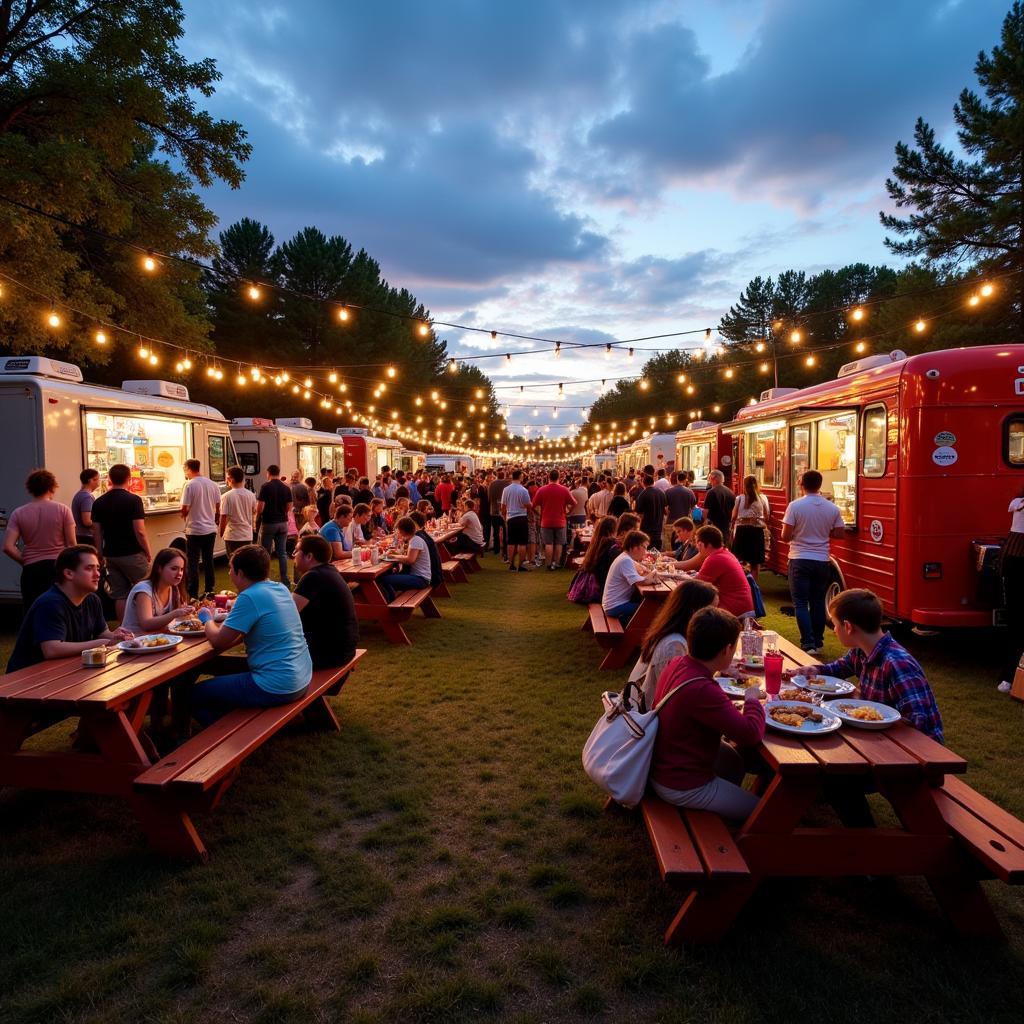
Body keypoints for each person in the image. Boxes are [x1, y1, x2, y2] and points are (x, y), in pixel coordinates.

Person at [649, 607, 765, 822]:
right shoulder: (702, 689)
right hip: (681, 783)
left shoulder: (679, 663)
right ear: (727, 649)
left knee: (733, 761)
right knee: (764, 815)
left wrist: (719, 670)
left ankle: (722, 812)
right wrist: (751, 699)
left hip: (665, 764)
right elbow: (750, 735)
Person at [187, 545, 311, 727]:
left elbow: (218, 641)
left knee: (194, 694)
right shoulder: (280, 588)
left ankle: (222, 735)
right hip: (302, 676)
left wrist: (206, 619)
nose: (229, 573)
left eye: (230, 569)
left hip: (277, 685)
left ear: (241, 573)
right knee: (220, 669)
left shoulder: (249, 597)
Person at [804, 589, 944, 742]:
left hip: (916, 751)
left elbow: (919, 722)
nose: (834, 630)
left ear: (848, 627)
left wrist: (867, 711)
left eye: (835, 624)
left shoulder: (897, 663)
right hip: (877, 737)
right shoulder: (861, 650)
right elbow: (838, 668)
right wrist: (815, 670)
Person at [6, 545, 132, 673]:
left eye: (98, 568)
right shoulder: (50, 603)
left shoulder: (92, 599)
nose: (97, 574)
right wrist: (102, 642)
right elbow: (52, 649)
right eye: (89, 568)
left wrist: (116, 636)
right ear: (68, 573)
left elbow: (103, 632)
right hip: (28, 679)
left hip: (63, 671)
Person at [781, 469, 846, 655]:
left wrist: (798, 533)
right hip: (822, 559)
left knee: (800, 602)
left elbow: (785, 536)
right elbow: (840, 533)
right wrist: (824, 533)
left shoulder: (795, 506)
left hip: (799, 558)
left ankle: (808, 643)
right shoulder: (832, 507)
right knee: (817, 601)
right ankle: (818, 641)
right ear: (820, 484)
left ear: (802, 485)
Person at [630, 579, 719, 706]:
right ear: (694, 611)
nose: (716, 615)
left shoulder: (675, 632)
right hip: (652, 715)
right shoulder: (674, 645)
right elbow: (674, 694)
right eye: (712, 610)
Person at [2, 468, 77, 612]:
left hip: (31, 570)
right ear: (52, 487)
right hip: (57, 567)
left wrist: (25, 560)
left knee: (33, 611)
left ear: (30, 489)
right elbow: (72, 544)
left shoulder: (18, 513)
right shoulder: (63, 510)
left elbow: (8, 547)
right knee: (59, 609)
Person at [91, 463, 151, 618]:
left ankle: (123, 627)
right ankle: (148, 620)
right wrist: (147, 551)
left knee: (119, 594)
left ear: (109, 479)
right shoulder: (134, 500)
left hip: (111, 554)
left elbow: (96, 532)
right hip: (132, 553)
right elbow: (140, 530)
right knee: (146, 587)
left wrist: (99, 554)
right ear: (129, 479)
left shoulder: (98, 502)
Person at [292, 534, 358, 669]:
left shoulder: (313, 576)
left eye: (296, 551)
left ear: (309, 556)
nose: (294, 555)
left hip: (329, 654)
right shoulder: (329, 571)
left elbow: (287, 613)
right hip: (343, 649)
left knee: (271, 652)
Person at [120, 547, 192, 635]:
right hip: (135, 641)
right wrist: (175, 613)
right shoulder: (144, 590)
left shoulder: (174, 588)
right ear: (159, 568)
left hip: (160, 638)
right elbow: (146, 624)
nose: (180, 573)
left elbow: (175, 621)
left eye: (181, 569)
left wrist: (186, 613)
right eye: (174, 569)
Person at [180, 458, 221, 599]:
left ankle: (193, 593)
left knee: (193, 562)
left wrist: (184, 514)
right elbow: (217, 506)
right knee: (208, 560)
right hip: (210, 529)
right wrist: (215, 518)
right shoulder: (213, 484)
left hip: (194, 529)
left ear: (188, 469)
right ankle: (210, 590)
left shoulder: (189, 485)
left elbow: (184, 507)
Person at [694, 525, 753, 618]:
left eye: (698, 544)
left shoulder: (714, 559)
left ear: (708, 545)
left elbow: (696, 587)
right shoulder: (725, 553)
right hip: (744, 607)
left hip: (734, 612)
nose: (697, 547)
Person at [1000, 486, 1024, 690]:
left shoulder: (1017, 503)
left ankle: (1008, 677)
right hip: (1016, 564)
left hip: (1011, 562)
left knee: (1014, 624)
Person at [601, 529, 653, 623]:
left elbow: (643, 569)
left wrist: (649, 572)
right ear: (635, 547)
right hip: (614, 606)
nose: (646, 552)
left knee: (646, 607)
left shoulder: (625, 557)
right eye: (644, 547)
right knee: (650, 610)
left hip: (611, 604)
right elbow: (642, 582)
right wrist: (653, 576)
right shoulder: (625, 560)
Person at [256, 463, 292, 586]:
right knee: (282, 552)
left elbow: (260, 507)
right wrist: (282, 513)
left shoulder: (265, 487)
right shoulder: (286, 487)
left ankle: (265, 578)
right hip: (283, 523)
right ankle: (285, 579)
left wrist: (257, 518)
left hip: (269, 522)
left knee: (266, 552)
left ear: (268, 473)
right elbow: (289, 506)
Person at [380, 516, 432, 601]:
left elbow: (410, 560)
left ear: (403, 530)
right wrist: (396, 554)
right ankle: (390, 601)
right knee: (389, 578)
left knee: (384, 580)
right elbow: (408, 556)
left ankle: (390, 603)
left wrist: (393, 556)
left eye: (398, 530)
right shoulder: (414, 539)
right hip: (419, 577)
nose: (397, 532)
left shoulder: (415, 540)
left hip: (421, 579)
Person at [730, 475, 771, 581]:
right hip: (756, 531)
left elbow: (734, 516)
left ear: (744, 485)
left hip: (742, 531)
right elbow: (767, 516)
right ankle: (753, 585)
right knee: (755, 562)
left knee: (739, 559)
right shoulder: (763, 498)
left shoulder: (740, 498)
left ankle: (740, 582)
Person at [533, 469, 575, 570]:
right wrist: (568, 512)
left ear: (548, 477)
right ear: (559, 477)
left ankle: (548, 563)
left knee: (548, 543)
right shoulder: (564, 489)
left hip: (546, 520)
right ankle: (556, 563)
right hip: (560, 520)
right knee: (559, 543)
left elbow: (533, 505)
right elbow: (574, 503)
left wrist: (539, 514)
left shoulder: (542, 490)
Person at [219, 466, 257, 555]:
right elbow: (254, 512)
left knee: (233, 562)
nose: (226, 480)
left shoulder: (226, 496)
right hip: (247, 535)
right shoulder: (251, 495)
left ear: (230, 479)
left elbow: (223, 517)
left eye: (227, 478)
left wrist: (221, 533)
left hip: (233, 535)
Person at [501, 469, 533, 572]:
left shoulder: (506, 490)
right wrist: (528, 507)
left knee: (511, 542)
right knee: (522, 543)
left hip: (511, 518)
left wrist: (505, 515)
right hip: (521, 517)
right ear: (520, 477)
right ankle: (521, 565)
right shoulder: (523, 490)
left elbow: (503, 506)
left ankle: (511, 564)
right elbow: (528, 505)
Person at [664, 472, 697, 550]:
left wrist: (667, 514)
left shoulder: (668, 491)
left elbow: (665, 507)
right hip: (685, 523)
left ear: (677, 479)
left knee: (669, 544)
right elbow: (693, 508)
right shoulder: (690, 492)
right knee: (684, 545)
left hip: (671, 521)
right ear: (685, 480)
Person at [635, 474, 667, 550]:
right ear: (653, 482)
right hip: (658, 529)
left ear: (643, 483)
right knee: (657, 552)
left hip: (646, 530)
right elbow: (665, 510)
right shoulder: (661, 493)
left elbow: (639, 513)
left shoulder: (642, 494)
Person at [72, 469, 100, 546]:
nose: (99, 483)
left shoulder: (79, 494)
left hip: (80, 535)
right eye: (97, 479)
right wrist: (101, 523)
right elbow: (87, 521)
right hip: (86, 537)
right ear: (91, 480)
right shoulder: (87, 497)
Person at [702, 470, 735, 537]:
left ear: (712, 478)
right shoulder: (731, 492)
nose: (709, 481)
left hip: (714, 525)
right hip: (727, 525)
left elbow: (706, 511)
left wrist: (705, 522)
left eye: (709, 478)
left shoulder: (711, 492)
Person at [487, 470, 509, 558]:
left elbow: (489, 498)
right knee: (505, 532)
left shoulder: (491, 484)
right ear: (504, 475)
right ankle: (505, 550)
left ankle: (496, 549)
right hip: (504, 512)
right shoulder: (507, 484)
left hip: (493, 511)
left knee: (495, 531)